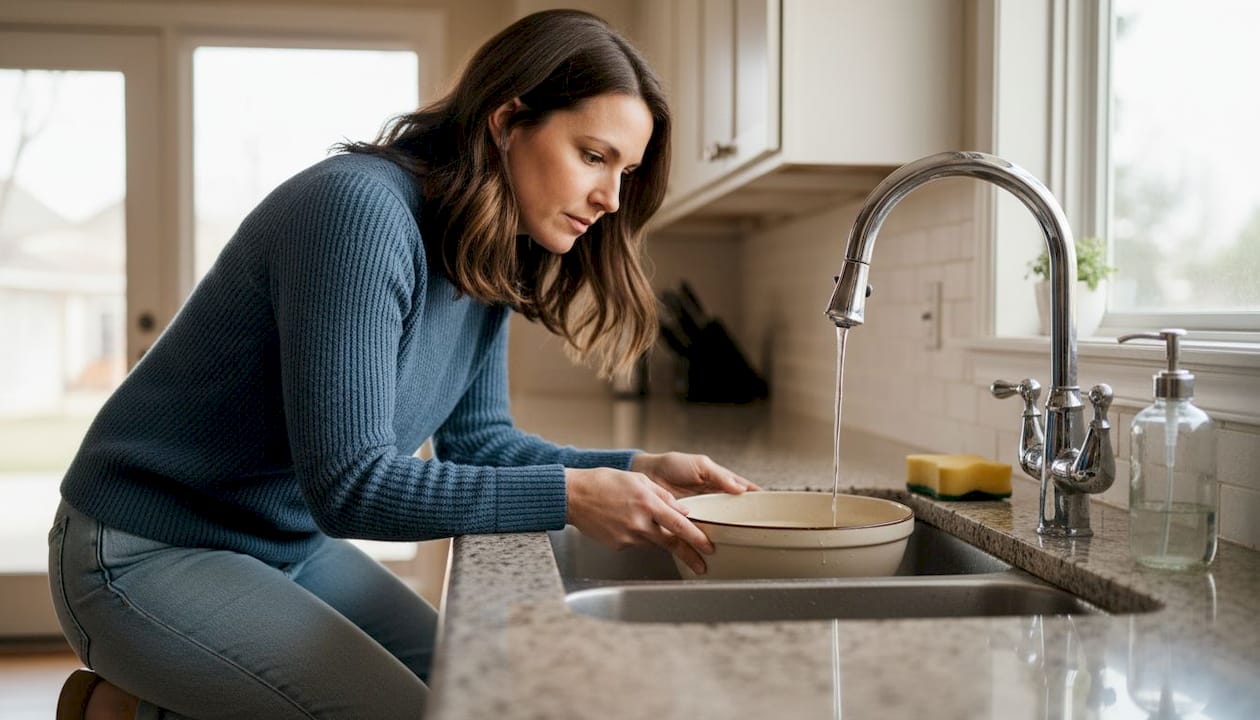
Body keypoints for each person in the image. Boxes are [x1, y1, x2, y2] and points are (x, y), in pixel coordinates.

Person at [49, 10, 756, 720]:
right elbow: (350, 485)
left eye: (626, 173)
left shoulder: (488, 247)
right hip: (144, 549)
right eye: (594, 156)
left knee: (479, 695)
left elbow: (482, 445)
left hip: (279, 544)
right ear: (508, 121)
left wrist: (633, 468)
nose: (611, 198)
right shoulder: (357, 211)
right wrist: (571, 495)